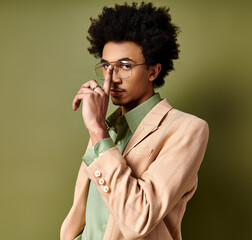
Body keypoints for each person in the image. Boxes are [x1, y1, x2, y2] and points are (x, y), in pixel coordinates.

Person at [60, 2, 209, 240]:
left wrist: (98, 131)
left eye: (125, 66)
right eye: (107, 66)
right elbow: (84, 219)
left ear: (153, 71)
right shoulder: (107, 127)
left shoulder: (188, 129)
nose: (112, 78)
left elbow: (139, 219)